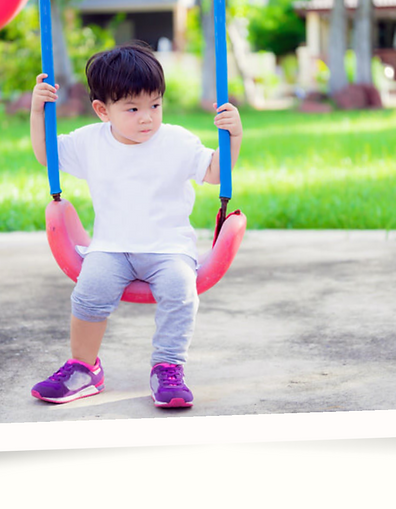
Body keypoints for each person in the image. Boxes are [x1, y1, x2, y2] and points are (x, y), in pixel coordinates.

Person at [28, 41, 242, 408]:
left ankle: (168, 368)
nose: (147, 117)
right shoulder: (89, 142)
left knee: (181, 292)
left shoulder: (177, 140)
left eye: (155, 105)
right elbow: (47, 155)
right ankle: (83, 367)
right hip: (111, 248)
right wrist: (37, 111)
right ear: (102, 110)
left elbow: (213, 172)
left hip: (169, 249)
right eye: (133, 108)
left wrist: (233, 136)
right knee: (89, 292)